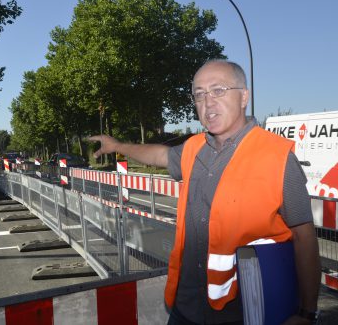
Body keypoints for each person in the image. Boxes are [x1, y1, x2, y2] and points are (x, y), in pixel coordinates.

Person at [89, 59, 321, 325]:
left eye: (218, 90)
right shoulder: (193, 147)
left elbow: (304, 238)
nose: (208, 102)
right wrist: (118, 145)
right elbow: (160, 155)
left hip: (245, 314)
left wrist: (306, 312)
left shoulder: (277, 156)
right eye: (199, 95)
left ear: (244, 96)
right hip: (185, 308)